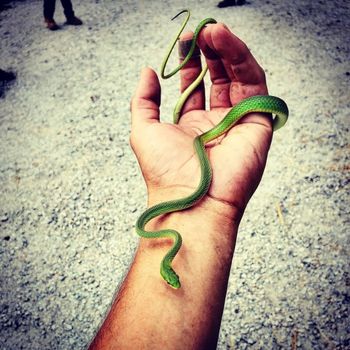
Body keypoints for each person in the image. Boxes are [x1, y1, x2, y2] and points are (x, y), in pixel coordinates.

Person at [89, 22, 273, 349]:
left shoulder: (161, 235)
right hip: (201, 182)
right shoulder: (159, 235)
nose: (175, 281)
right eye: (173, 278)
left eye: (172, 278)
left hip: (209, 145)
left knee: (228, 84)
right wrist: (207, 213)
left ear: (168, 267)